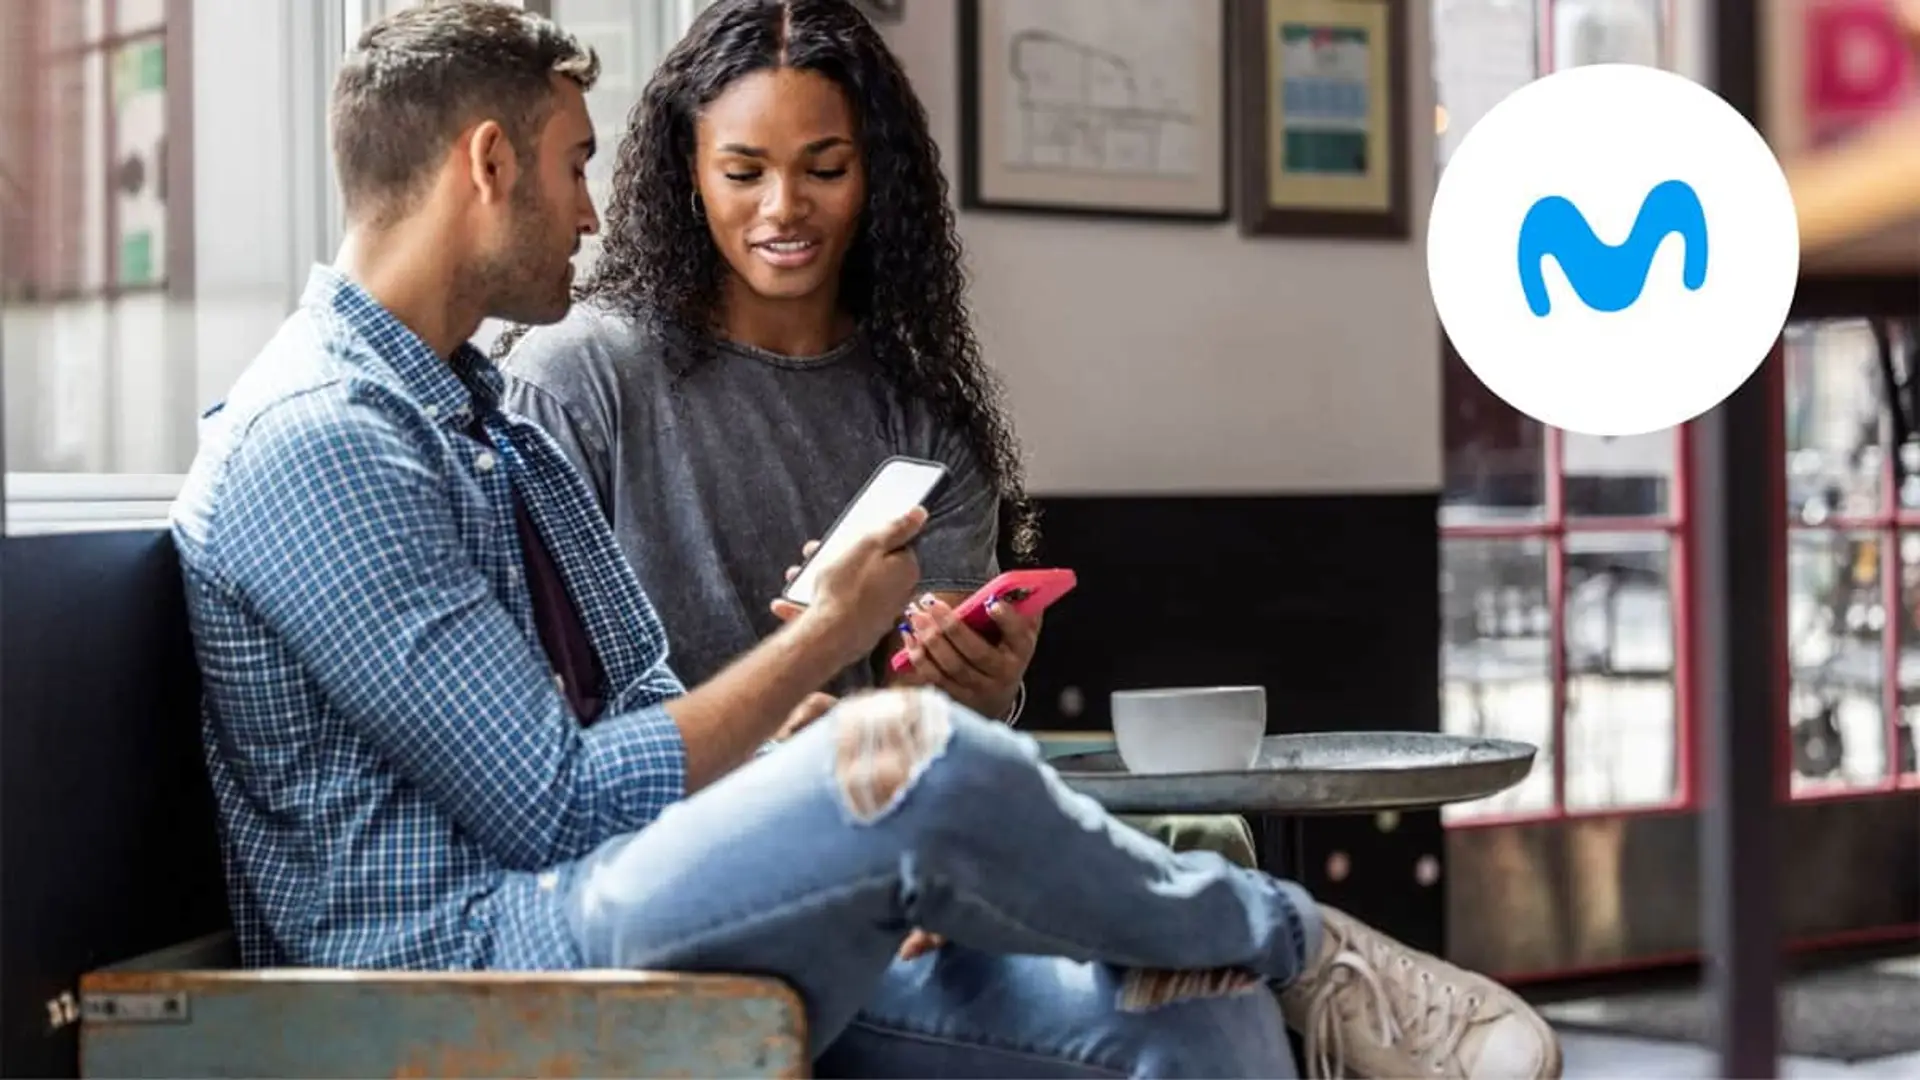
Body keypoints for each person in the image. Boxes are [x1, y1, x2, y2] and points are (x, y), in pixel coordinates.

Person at [170, 3, 1560, 1078]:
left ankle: (1277, 976)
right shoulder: (321, 442)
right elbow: (553, 805)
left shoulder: (485, 420)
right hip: (476, 957)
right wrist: (831, 651)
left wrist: (820, 823)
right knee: (904, 759)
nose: (598, 211)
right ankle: (1314, 947)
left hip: (625, 896)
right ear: (487, 166)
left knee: (1200, 1038)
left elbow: (644, 713)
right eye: (574, 166)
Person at [493, 0, 1257, 896]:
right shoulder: (579, 379)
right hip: (658, 863)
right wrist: (770, 730)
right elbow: (531, 724)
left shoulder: (923, 415)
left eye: (826, 168)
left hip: (872, 840)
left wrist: (973, 687)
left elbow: (925, 724)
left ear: (875, 177)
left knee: (1209, 850)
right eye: (744, 172)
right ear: (689, 176)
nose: (785, 208)